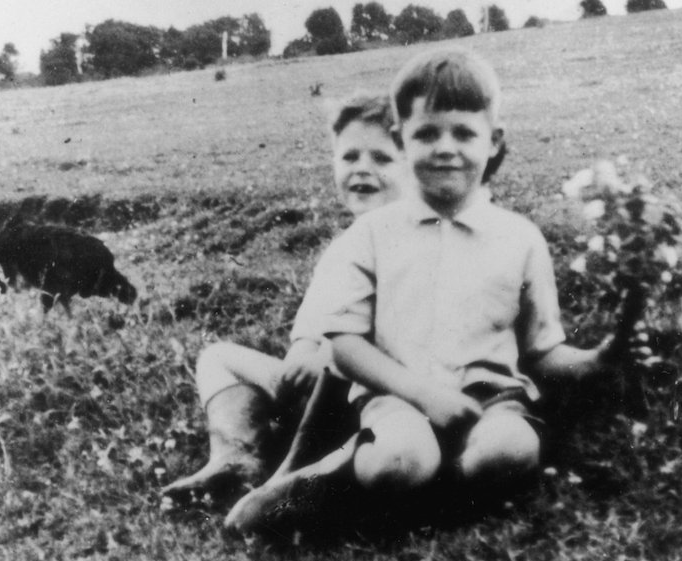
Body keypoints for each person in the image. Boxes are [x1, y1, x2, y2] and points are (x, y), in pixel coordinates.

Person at [225, 49, 617, 532]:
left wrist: (598, 359)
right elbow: (345, 347)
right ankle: (326, 482)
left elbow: (543, 351)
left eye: (464, 133)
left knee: (510, 451)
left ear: (493, 141)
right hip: (397, 398)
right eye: (427, 134)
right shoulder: (372, 235)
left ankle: (429, 490)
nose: (445, 148)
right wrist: (424, 395)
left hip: (491, 400)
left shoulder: (520, 238)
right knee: (399, 460)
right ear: (400, 140)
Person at [162, 93, 407, 495]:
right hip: (319, 389)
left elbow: (402, 334)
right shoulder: (343, 249)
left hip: (379, 396)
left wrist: (327, 359)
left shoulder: (411, 243)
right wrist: (301, 357)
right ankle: (237, 457)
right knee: (217, 358)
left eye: (382, 158)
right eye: (349, 157)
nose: (362, 169)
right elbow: (311, 326)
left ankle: (317, 466)